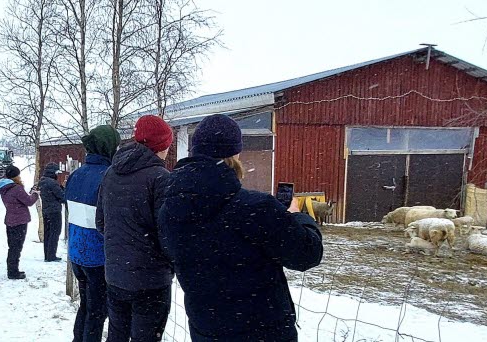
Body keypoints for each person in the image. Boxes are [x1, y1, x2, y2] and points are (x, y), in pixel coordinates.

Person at [157, 114, 324, 341]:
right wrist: (298, 218)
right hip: (263, 332)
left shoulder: (169, 210)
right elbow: (307, 254)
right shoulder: (256, 208)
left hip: (206, 330)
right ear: (235, 154)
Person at [96, 115, 174, 342]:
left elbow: (101, 222)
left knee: (117, 335)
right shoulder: (161, 178)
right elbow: (167, 235)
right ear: (163, 145)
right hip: (150, 281)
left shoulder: (112, 172)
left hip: (115, 275)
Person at [66, 125, 121, 342]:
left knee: (86, 306)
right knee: (97, 313)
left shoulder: (76, 175)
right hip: (98, 256)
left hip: (77, 253)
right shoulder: (108, 176)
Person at [0, 165, 39, 280]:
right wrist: (35, 194)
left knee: (12, 247)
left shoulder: (4, 188)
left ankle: (12, 269)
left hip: (10, 220)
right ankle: (13, 272)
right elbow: (29, 201)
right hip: (19, 221)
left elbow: (19, 199)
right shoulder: (17, 188)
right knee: (16, 247)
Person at [38, 162, 64, 262]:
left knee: (48, 233)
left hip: (46, 210)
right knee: (55, 232)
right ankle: (51, 255)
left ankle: (47, 255)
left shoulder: (43, 181)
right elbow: (62, 196)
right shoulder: (52, 183)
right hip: (54, 211)